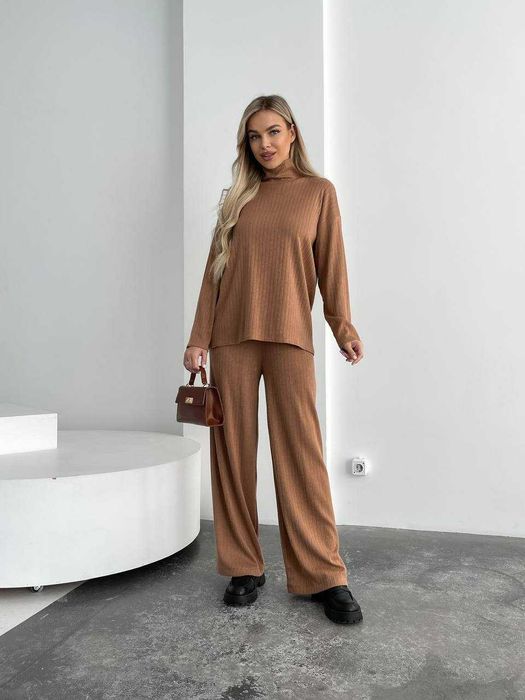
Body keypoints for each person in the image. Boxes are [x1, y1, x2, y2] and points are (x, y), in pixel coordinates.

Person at [183, 94, 364, 625]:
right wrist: (198, 337)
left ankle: (323, 574)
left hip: (289, 337)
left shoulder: (318, 192)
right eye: (254, 136)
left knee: (301, 455)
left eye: (273, 132)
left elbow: (332, 266)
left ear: (292, 132)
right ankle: (244, 566)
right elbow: (213, 273)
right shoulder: (237, 199)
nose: (264, 144)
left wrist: (342, 326)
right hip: (231, 339)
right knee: (233, 456)